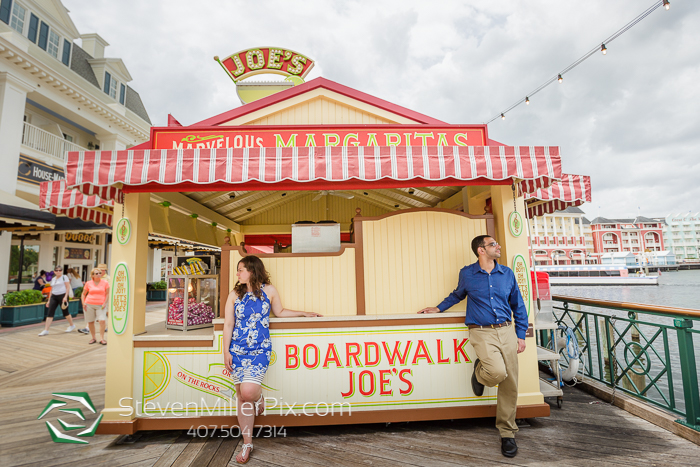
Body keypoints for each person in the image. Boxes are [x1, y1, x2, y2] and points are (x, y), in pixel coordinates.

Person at [418, 234, 528, 458]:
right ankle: (480, 374)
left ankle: (507, 433)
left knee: (511, 382)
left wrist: (520, 333)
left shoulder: (506, 273)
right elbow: (457, 294)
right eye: (493, 244)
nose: (498, 247)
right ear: (481, 250)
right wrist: (438, 308)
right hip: (481, 331)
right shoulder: (467, 273)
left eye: (496, 243)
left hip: (506, 330)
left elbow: (518, 304)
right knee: (496, 372)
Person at [223, 255, 321, 463]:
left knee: (248, 392)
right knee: (241, 395)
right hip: (238, 350)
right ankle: (247, 443)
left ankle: (258, 398)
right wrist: (226, 352)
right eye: (238, 270)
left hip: (260, 350)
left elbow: (280, 312)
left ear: (252, 270)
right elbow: (228, 325)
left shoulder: (269, 291)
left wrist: (303, 313)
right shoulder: (234, 295)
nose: (238, 273)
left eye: (241, 269)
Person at [39, 266, 77, 336]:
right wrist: (49, 300)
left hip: (62, 295)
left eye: (60, 270)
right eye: (57, 270)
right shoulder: (53, 279)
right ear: (54, 272)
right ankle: (46, 330)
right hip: (54, 296)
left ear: (62, 271)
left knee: (65, 312)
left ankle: (72, 325)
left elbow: (67, 287)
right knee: (50, 313)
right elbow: (51, 289)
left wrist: (65, 297)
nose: (58, 271)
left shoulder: (64, 277)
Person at [79, 263, 110, 335]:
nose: (100, 272)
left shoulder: (108, 279)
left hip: (104, 299)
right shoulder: (91, 281)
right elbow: (84, 293)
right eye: (99, 271)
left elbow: (108, 291)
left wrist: (106, 301)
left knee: (107, 314)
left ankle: (109, 326)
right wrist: (84, 303)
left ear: (104, 271)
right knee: (91, 318)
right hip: (91, 302)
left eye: (101, 270)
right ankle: (87, 328)